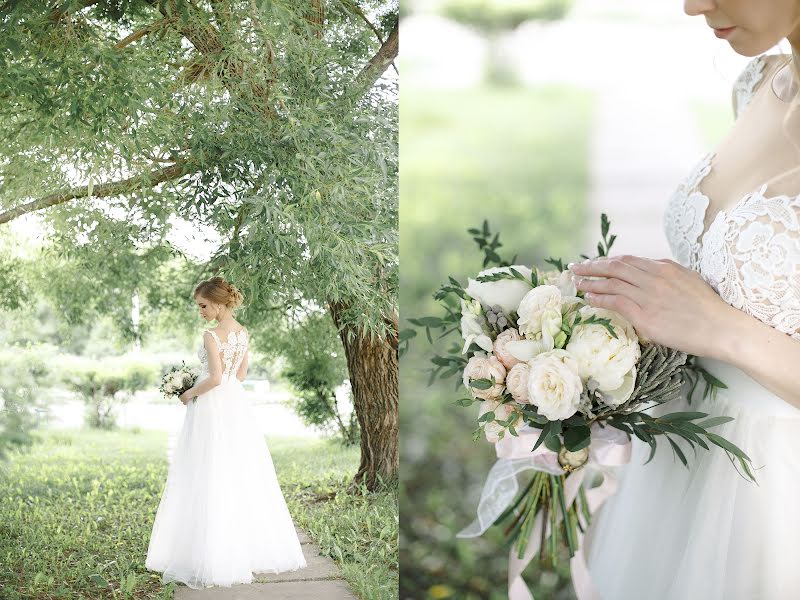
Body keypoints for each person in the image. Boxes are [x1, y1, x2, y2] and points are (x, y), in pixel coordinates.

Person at [571, 2, 800, 599]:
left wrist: (721, 329)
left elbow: (725, 318)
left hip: (775, 493)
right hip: (681, 459)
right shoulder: (761, 83)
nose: (693, 4)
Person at [145, 276, 307, 589]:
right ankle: (241, 549)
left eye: (203, 305)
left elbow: (216, 378)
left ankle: (210, 553)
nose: (201, 311)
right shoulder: (243, 332)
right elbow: (240, 374)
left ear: (219, 303)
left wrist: (189, 393)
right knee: (238, 470)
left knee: (207, 470)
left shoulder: (211, 335)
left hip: (211, 406)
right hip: (236, 405)